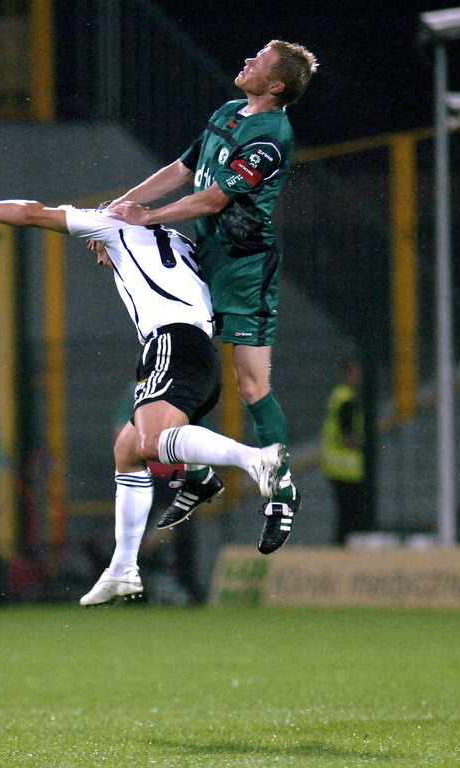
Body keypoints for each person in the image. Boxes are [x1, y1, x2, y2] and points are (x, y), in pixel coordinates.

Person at [0, 198, 287, 605]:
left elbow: (32, 212)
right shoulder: (177, 241)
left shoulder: (114, 226)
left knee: (150, 443)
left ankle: (254, 460)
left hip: (172, 343)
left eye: (93, 240)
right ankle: (123, 569)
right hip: (197, 353)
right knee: (127, 451)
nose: (93, 250)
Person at [107, 39, 318, 555]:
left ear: (276, 85)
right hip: (203, 258)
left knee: (251, 386)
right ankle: (197, 475)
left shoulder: (272, 136)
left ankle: (282, 492)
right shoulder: (226, 112)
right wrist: (120, 210)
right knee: (184, 365)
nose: (246, 60)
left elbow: (215, 198)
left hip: (244, 270)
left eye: (259, 61)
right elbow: (182, 170)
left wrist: (147, 217)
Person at [321, 356, 372, 545]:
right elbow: (346, 435)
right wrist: (361, 446)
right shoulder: (347, 399)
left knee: (344, 514)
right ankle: (342, 549)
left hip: (336, 466)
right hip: (345, 468)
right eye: (355, 372)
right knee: (348, 515)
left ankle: (341, 547)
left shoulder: (337, 395)